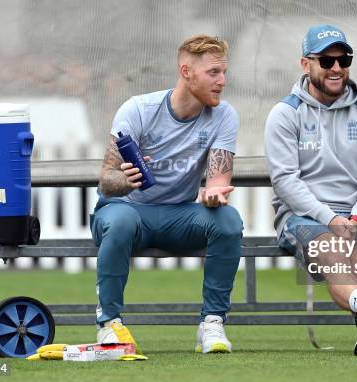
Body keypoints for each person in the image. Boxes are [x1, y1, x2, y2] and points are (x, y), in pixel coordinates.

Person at [90, 34, 243, 354]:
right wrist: (126, 180)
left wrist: (214, 195)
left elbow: (218, 178)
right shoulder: (138, 109)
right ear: (187, 72)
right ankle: (109, 324)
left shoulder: (224, 115)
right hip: (127, 209)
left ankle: (212, 323)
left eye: (224, 72)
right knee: (119, 221)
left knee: (227, 220)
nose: (222, 81)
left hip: (179, 214)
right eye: (213, 73)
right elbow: (106, 180)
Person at [264, 24, 357, 355]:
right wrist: (330, 219)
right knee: (334, 253)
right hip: (302, 216)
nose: (336, 69)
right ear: (306, 64)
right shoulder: (285, 113)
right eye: (326, 61)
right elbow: (285, 180)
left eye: (343, 60)